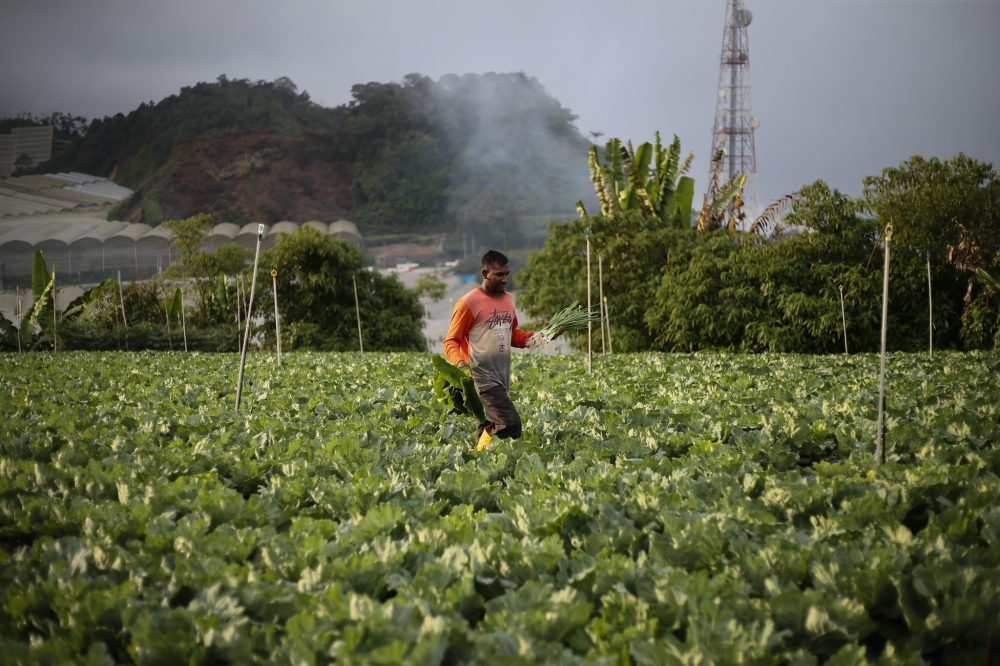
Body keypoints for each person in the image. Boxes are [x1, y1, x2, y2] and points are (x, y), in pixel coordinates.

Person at [443, 250, 562, 451]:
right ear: (485, 273)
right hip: (481, 376)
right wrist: (461, 364)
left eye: (507, 274)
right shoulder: (468, 303)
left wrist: (544, 336)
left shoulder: (508, 299)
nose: (505, 279)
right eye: (499, 274)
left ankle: (478, 457)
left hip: (502, 376)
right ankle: (490, 454)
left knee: (489, 426)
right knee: (510, 424)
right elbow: (450, 342)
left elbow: (512, 335)